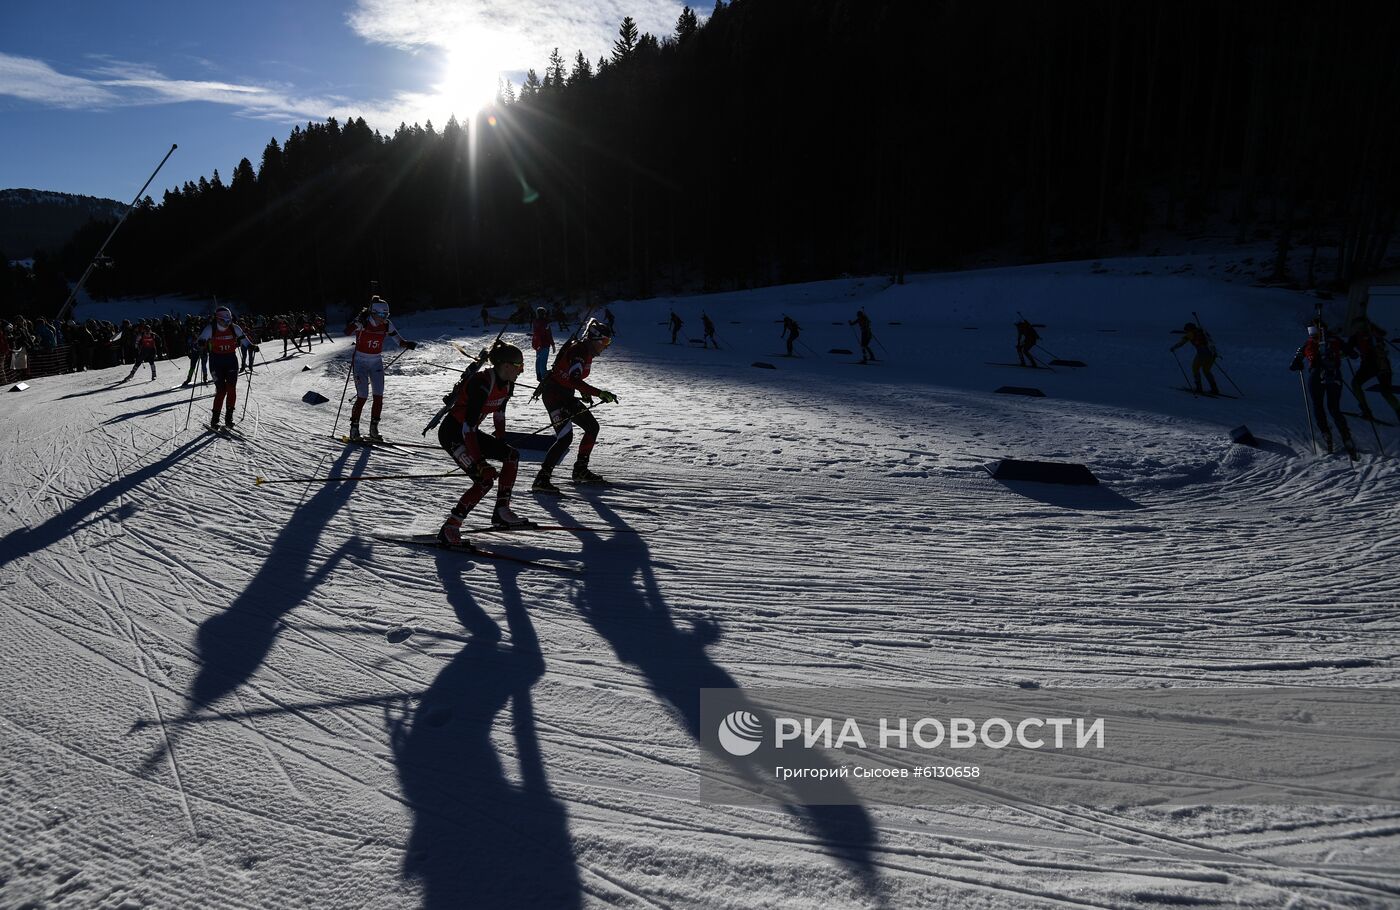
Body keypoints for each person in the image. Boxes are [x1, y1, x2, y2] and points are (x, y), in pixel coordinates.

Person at [436, 343, 530, 543]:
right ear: (505, 365)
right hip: (453, 433)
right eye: (519, 365)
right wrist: (480, 463)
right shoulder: (481, 384)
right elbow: (467, 428)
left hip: (470, 432)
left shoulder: (507, 383)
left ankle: (502, 512)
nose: (522, 370)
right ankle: (450, 527)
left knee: (511, 456)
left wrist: (500, 440)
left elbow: (499, 412)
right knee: (484, 479)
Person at [532, 318, 619, 492]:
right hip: (554, 397)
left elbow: (571, 378)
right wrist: (599, 393)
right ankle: (542, 479)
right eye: (606, 341)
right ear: (595, 339)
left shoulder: (585, 350)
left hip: (565, 395)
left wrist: (583, 391)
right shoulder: (580, 351)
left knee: (592, 427)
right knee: (565, 438)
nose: (607, 346)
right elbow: (574, 379)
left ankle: (580, 469)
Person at [345, 296, 417, 442]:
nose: (384, 318)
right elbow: (347, 332)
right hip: (360, 362)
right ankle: (354, 428)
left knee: (378, 396)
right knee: (363, 396)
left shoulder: (387, 325)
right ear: (373, 313)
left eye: (386, 315)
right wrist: (357, 321)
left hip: (376, 362)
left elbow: (399, 341)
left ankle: (373, 429)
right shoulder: (364, 323)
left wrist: (407, 344)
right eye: (382, 315)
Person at [1291, 321, 1356, 457]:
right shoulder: (1334, 340)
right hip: (1334, 376)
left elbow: (1296, 360)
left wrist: (1298, 364)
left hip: (1316, 376)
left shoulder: (1309, 342)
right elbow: (1351, 352)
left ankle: (1326, 435)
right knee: (1334, 408)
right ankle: (1346, 437)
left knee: (1318, 406)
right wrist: (1345, 353)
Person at [196, 306, 257, 429]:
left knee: (231, 388)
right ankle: (215, 420)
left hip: (231, 360)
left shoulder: (235, 328)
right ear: (218, 319)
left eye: (229, 320)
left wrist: (251, 347)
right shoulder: (210, 328)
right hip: (216, 361)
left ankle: (229, 418)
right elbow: (200, 340)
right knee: (221, 390)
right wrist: (201, 343)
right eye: (224, 320)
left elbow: (244, 341)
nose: (227, 323)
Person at [1347, 319, 1400, 423]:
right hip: (1380, 365)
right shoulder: (1365, 334)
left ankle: (1366, 410)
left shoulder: (1366, 334)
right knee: (1385, 392)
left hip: (1375, 364)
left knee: (1357, 384)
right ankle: (1367, 411)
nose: (1360, 329)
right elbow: (1349, 349)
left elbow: (1348, 350)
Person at [1170, 321, 1219, 395]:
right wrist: (1214, 352)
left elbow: (1182, 342)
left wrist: (1173, 347)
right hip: (1212, 353)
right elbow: (1210, 341)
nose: (1186, 331)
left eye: (1186, 329)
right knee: (1206, 370)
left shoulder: (1191, 334)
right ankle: (1214, 389)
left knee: (1195, 368)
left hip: (1202, 353)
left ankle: (1199, 388)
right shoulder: (1202, 332)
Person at [531, 306, 556, 382]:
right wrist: (553, 344)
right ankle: (543, 377)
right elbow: (549, 334)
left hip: (537, 344)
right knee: (543, 361)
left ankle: (538, 375)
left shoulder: (535, 321)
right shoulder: (545, 323)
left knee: (538, 360)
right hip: (545, 344)